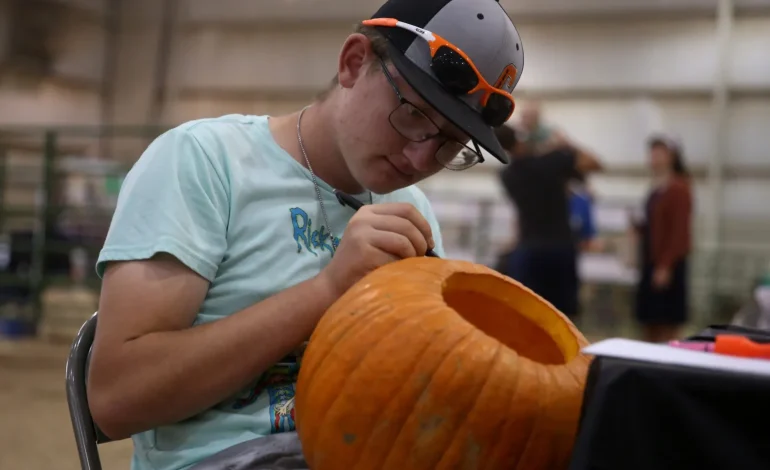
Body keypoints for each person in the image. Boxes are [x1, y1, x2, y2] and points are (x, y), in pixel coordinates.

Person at [86, 1, 526, 469]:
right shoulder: (205, 162)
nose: (421, 160)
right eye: (415, 116)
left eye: (450, 145)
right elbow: (118, 400)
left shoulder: (411, 212)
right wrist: (328, 290)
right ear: (354, 63)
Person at [495, 124, 602, 319]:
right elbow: (595, 164)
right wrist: (566, 144)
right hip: (560, 247)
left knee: (526, 312)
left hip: (529, 247)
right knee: (563, 315)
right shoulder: (553, 161)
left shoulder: (507, 175)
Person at [632, 134, 693, 343]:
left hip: (668, 264)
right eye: (652, 153)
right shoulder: (655, 187)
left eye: (660, 153)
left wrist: (665, 265)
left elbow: (679, 231)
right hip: (650, 261)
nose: (654, 158)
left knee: (667, 322)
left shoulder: (678, 188)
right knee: (649, 320)